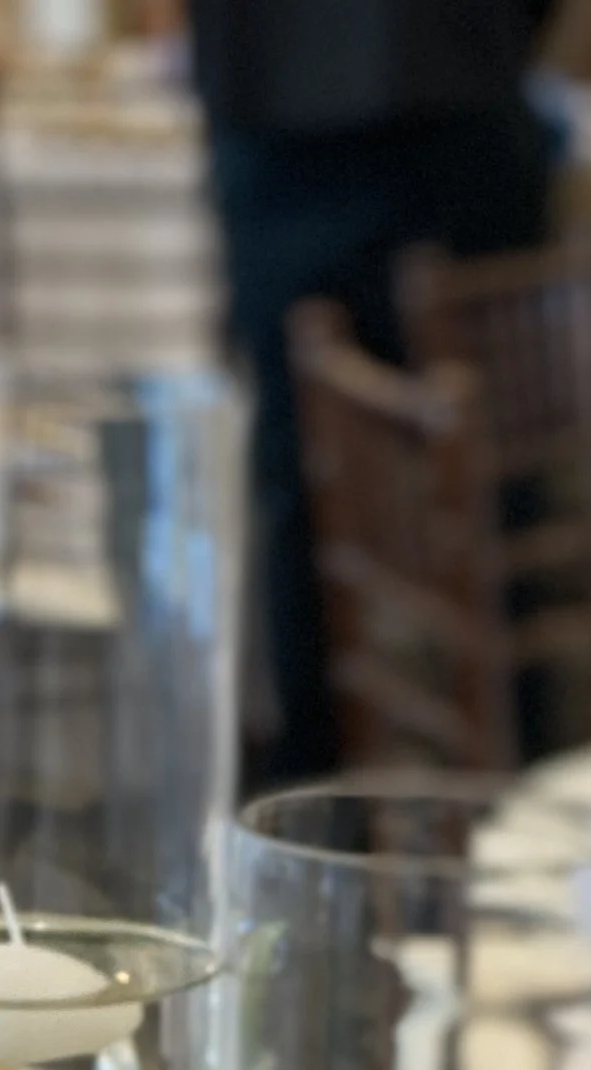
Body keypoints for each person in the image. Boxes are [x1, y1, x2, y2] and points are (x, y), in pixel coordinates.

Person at [191, 0, 558, 781]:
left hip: (289, 105)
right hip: (450, 83)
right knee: (487, 477)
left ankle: (320, 804)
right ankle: (511, 790)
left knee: (312, 485)